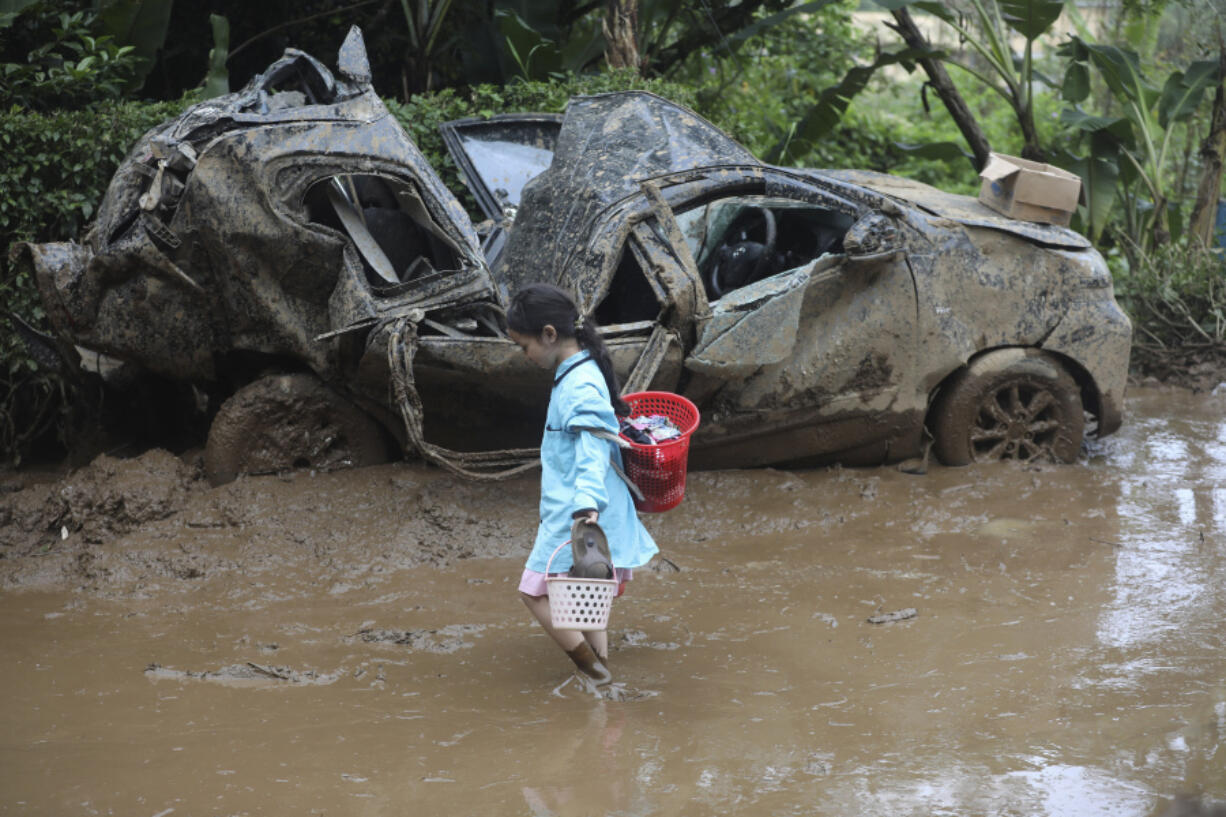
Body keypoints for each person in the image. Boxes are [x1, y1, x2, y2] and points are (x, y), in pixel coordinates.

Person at [507, 283, 658, 686]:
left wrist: (586, 505)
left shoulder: (579, 384)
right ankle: (605, 670)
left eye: (524, 347)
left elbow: (593, 448)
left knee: (533, 591)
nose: (525, 356)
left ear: (550, 334)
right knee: (584, 593)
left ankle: (595, 673)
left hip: (575, 506)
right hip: (583, 500)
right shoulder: (581, 369)